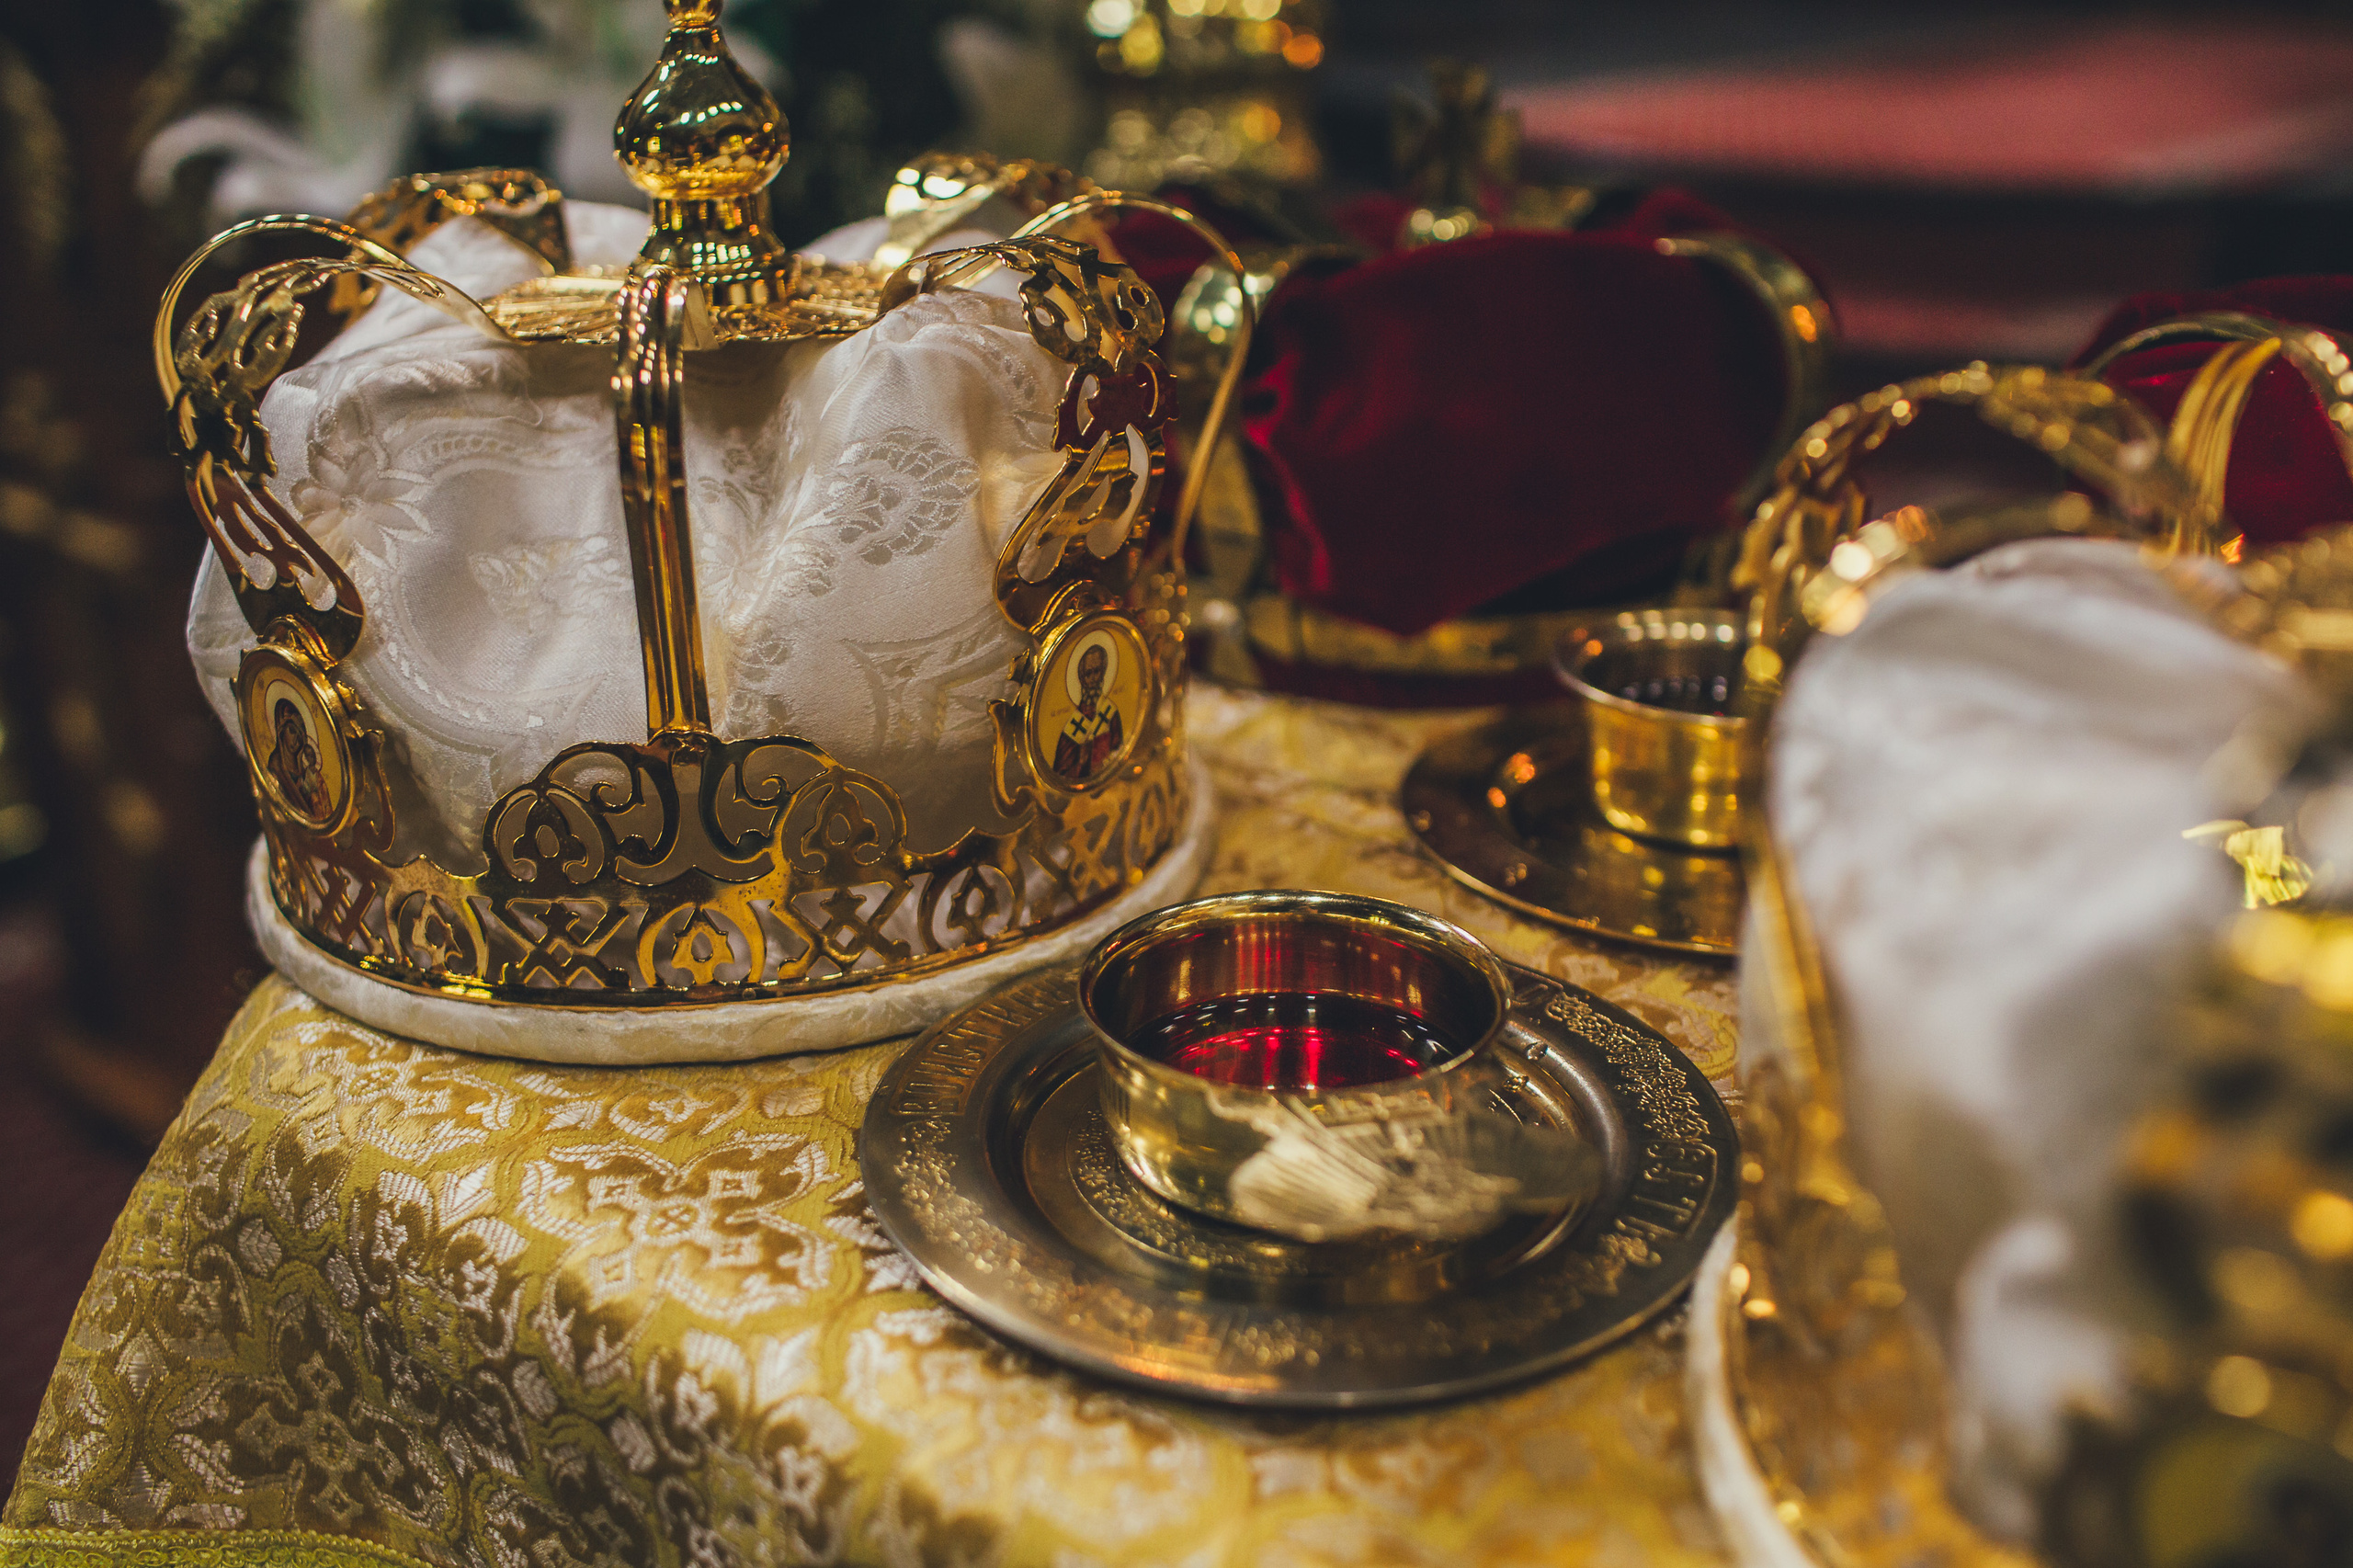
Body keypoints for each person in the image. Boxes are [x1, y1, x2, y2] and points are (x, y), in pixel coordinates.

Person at [1053, 639, 1124, 784]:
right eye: (1088, 673)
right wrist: (1082, 763)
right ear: (1081, 677)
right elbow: (1061, 774)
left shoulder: (1110, 712)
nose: (1093, 679)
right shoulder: (1073, 726)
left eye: (1097, 671)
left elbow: (1120, 749)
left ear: (1103, 671)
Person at [267, 695, 328, 818]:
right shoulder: (276, 767)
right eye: (292, 731)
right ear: (281, 730)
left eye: (300, 737)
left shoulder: (306, 774)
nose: (296, 741)